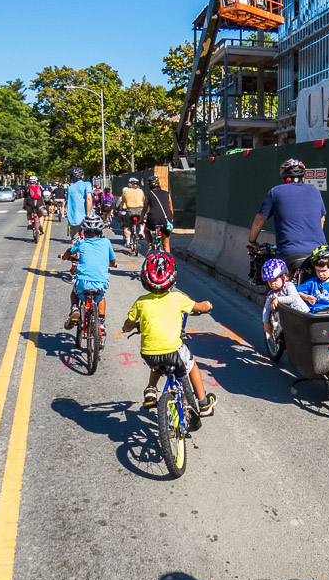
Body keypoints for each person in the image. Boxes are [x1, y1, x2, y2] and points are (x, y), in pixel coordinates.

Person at [121, 251, 216, 416]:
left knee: (158, 361)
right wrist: (207, 305)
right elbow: (200, 307)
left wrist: (129, 328)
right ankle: (203, 403)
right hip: (173, 351)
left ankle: (151, 390)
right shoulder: (177, 298)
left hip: (148, 354)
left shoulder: (141, 302)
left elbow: (128, 324)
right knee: (191, 364)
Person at [248, 158, 326, 275]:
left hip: (289, 252)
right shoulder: (315, 191)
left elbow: (259, 220)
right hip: (318, 252)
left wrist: (252, 241)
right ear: (303, 178)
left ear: (284, 178)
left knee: (276, 285)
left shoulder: (275, 192)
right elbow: (322, 219)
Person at [60, 215, 117, 344]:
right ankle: (101, 323)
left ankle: (74, 308)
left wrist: (65, 256)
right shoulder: (106, 242)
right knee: (101, 297)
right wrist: (113, 264)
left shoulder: (81, 243)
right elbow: (112, 261)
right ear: (101, 231)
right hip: (100, 283)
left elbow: (70, 251)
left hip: (83, 283)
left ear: (84, 232)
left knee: (74, 291)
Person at [261, 258, 309, 339]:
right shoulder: (272, 294)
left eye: (275, 280)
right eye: (269, 282)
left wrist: (278, 299)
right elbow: (267, 307)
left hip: (302, 314)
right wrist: (265, 322)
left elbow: (292, 298)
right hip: (289, 320)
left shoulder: (289, 286)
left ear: (283, 277)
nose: (272, 284)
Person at [65, 167, 94, 274]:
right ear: (82, 176)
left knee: (74, 241)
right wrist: (88, 214)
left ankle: (74, 264)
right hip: (86, 218)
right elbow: (89, 198)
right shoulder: (87, 184)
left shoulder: (70, 187)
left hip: (73, 219)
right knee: (90, 240)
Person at [140, 174, 174, 253]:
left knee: (146, 230)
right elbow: (171, 209)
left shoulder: (149, 194)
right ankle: (169, 262)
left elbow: (144, 209)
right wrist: (171, 218)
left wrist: (141, 220)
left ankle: (150, 246)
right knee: (166, 244)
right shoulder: (167, 194)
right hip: (166, 219)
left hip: (153, 219)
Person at [120, 176, 145, 248]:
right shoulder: (141, 191)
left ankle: (127, 241)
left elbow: (123, 201)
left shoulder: (125, 191)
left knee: (126, 226)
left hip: (130, 210)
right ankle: (141, 230)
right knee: (142, 221)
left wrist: (121, 207)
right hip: (140, 210)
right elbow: (143, 200)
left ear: (130, 184)